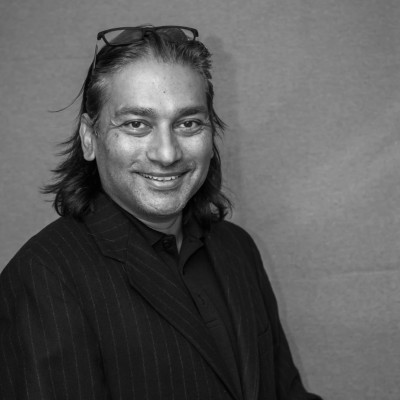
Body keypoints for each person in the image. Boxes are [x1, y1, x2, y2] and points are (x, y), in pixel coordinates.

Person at [0, 25, 322, 400]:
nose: (167, 154)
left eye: (188, 123)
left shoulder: (238, 248)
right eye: (137, 124)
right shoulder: (43, 276)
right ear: (90, 138)